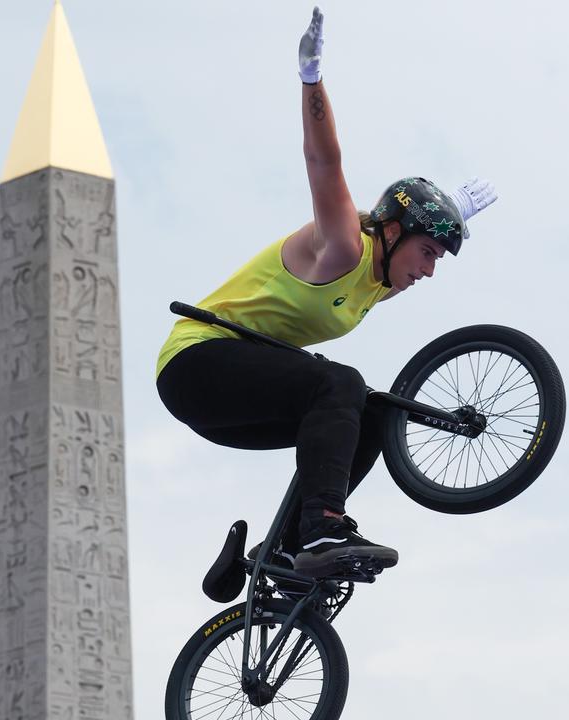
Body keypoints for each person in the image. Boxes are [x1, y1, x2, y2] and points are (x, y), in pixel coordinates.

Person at [156, 7, 497, 578]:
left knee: (368, 414)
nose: (429, 272)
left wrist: (451, 214)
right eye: (428, 254)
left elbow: (411, 216)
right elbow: (324, 162)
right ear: (392, 233)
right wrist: (311, 81)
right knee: (341, 382)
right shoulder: (343, 247)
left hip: (234, 400)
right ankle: (321, 527)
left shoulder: (382, 282)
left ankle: (282, 558)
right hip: (195, 365)